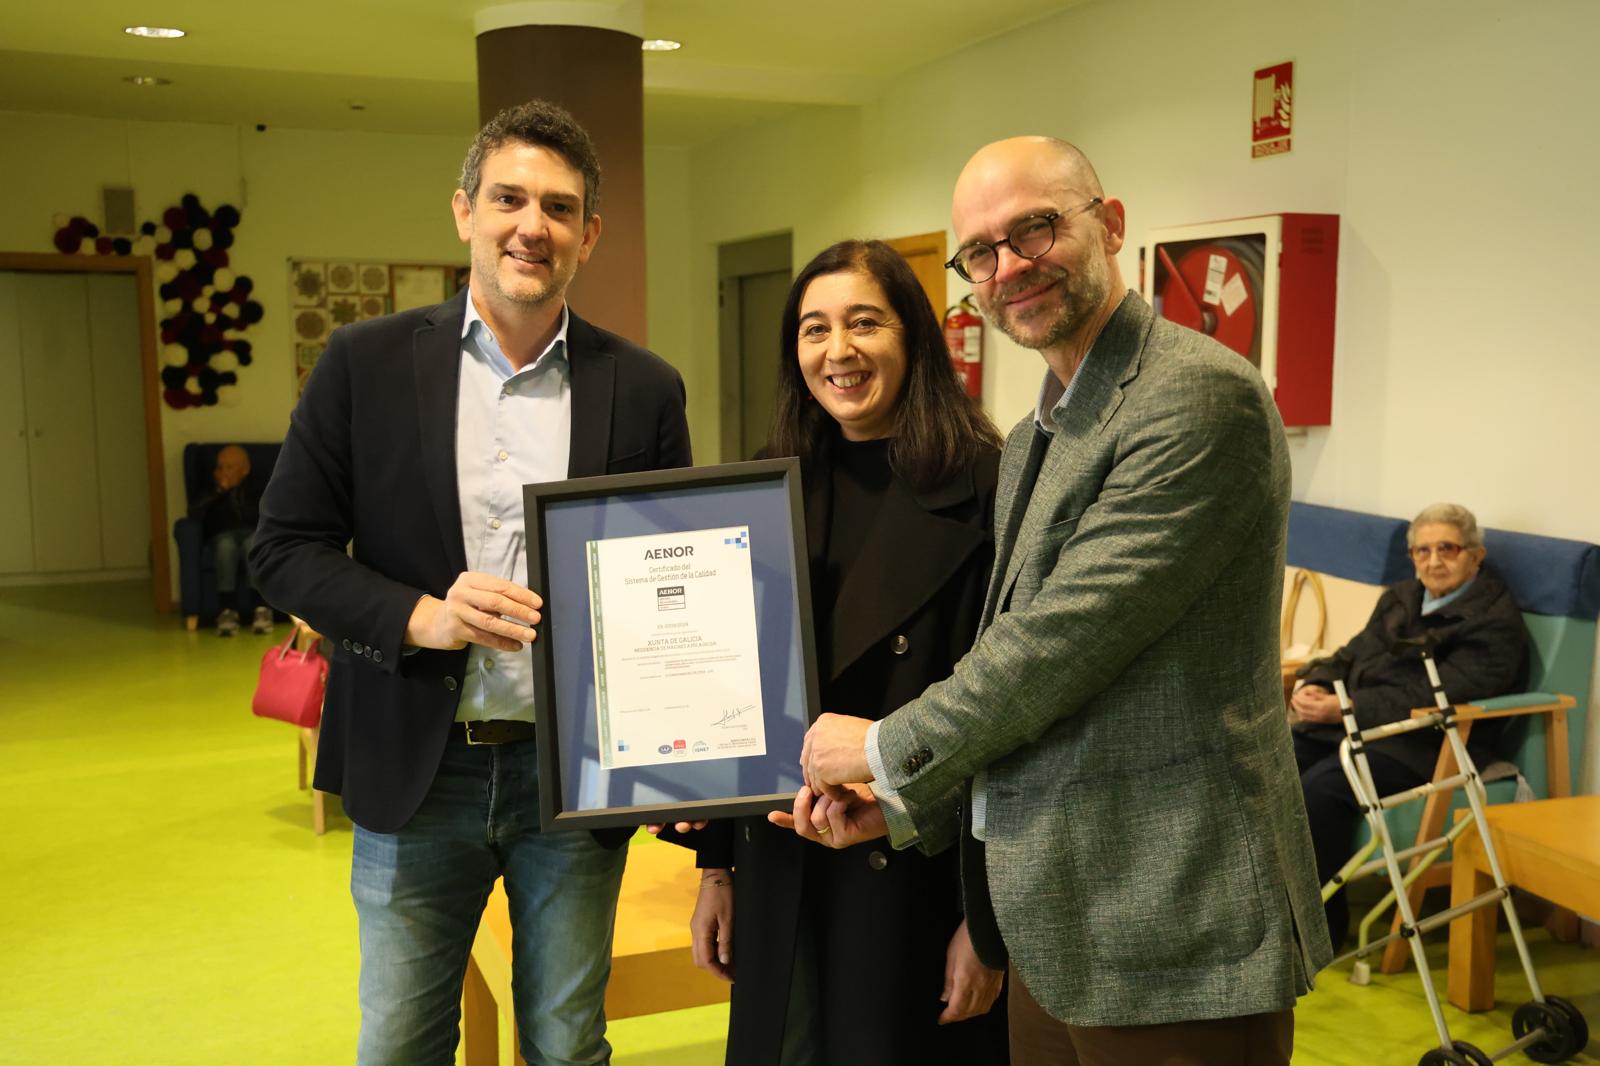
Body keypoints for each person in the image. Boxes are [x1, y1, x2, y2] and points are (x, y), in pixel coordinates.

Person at [789, 137, 1330, 1065]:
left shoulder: (1196, 396)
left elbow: (1057, 646)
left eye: (1034, 229)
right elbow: (1037, 697)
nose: (1009, 267)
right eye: (980, 253)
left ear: (1109, 224)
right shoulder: (1046, 424)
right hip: (1054, 918)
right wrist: (911, 806)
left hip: (1175, 920)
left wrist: (879, 750)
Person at [250, 100, 691, 1066]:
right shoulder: (363, 364)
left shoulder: (644, 388)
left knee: (566, 1045)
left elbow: (666, 580)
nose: (533, 226)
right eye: (508, 199)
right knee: (400, 1044)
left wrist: (693, 748)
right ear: (464, 212)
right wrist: (419, 616)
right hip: (416, 763)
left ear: (589, 235)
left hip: (571, 778)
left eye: (559, 208)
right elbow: (283, 547)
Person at [680, 240, 1010, 1065]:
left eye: (865, 323)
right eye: (815, 329)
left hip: (917, 870)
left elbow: (1010, 721)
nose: (839, 351)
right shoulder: (764, 485)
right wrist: (716, 869)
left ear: (914, 338)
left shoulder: (987, 488)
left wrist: (985, 924)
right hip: (778, 858)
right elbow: (731, 682)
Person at [1292, 502, 1529, 950]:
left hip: (1428, 743)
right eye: (1423, 550)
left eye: (1448, 548)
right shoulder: (1402, 597)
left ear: (1476, 555)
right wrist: (1316, 683)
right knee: (1273, 762)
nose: (1434, 561)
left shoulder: (1493, 622)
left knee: (1320, 789)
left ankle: (1318, 932)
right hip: (1361, 726)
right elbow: (1351, 654)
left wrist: (1347, 709)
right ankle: (1273, 906)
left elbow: (1440, 695)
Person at [189, 443, 269, 636]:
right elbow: (194, 512)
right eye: (220, 467)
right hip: (223, 535)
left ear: (245, 469)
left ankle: (261, 610)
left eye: (229, 467)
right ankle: (227, 611)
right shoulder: (211, 488)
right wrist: (219, 491)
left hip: (251, 532)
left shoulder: (258, 486)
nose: (223, 471)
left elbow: (267, 514)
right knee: (226, 547)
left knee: (252, 546)